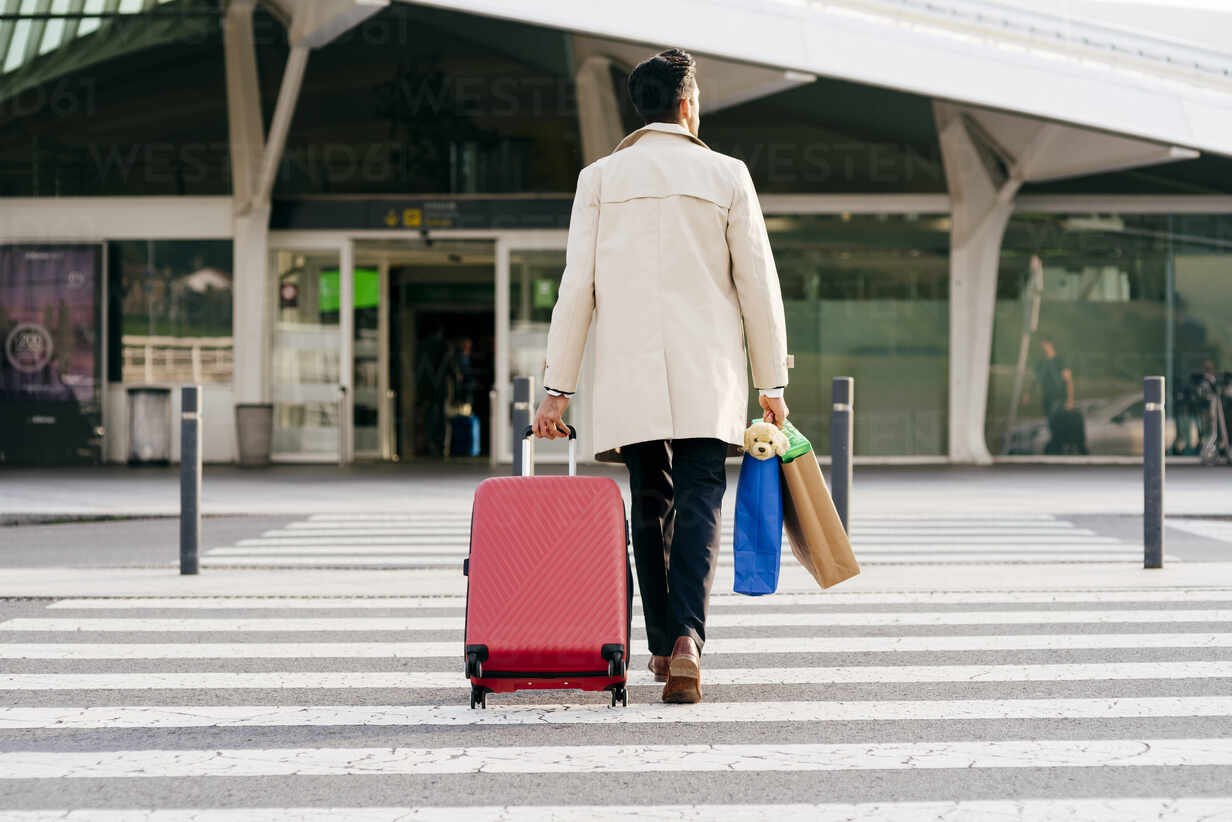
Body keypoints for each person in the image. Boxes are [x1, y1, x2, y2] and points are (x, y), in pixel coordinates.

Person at [531, 49, 790, 704]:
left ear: (640, 109)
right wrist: (771, 384)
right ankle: (688, 643)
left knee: (651, 497)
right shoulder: (727, 174)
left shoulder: (600, 179)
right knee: (702, 493)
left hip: (631, 369)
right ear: (687, 105)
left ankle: (658, 643)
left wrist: (556, 388)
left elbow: (578, 289)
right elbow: (758, 284)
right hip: (710, 371)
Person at [1023, 336, 1088, 455]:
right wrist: (1028, 394)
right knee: (1050, 423)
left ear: (1050, 344)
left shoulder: (1060, 361)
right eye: (1042, 344)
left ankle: (1061, 446)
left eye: (1045, 344)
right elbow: (1035, 380)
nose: (1043, 347)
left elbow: (1068, 381)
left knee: (1058, 422)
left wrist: (1070, 400)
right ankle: (1056, 446)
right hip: (1047, 399)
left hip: (1059, 399)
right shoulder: (1041, 362)